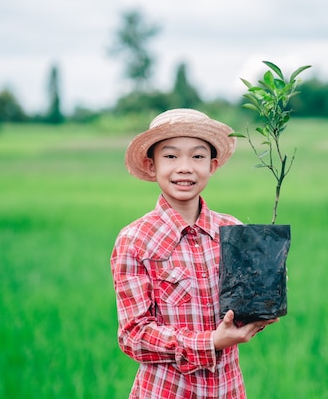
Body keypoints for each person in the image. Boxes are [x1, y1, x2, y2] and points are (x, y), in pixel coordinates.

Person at [111, 108, 278, 398]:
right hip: (165, 392)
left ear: (212, 166)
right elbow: (133, 335)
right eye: (171, 156)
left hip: (228, 390)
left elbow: (243, 315)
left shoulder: (233, 231)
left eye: (198, 156)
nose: (185, 167)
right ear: (152, 166)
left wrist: (268, 292)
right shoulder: (134, 241)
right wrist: (211, 341)